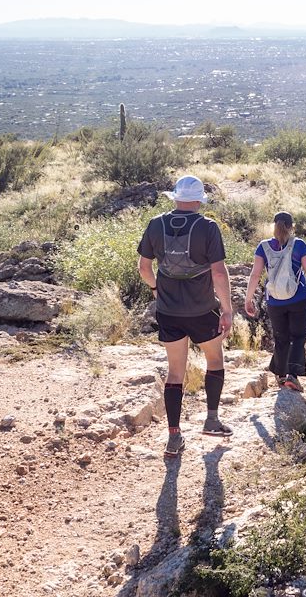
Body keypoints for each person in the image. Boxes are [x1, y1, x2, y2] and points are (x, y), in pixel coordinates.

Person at [137, 175, 234, 458]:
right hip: (203, 309)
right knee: (215, 359)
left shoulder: (156, 224)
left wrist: (156, 289)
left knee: (175, 372)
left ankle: (173, 437)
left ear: (176, 197)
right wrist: (227, 309)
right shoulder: (207, 227)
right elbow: (218, 272)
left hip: (169, 311)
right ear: (199, 200)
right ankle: (212, 420)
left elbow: (144, 268)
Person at [244, 211, 306, 392]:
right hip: (299, 299)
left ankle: (280, 376)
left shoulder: (263, 247)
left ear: (274, 226)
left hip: (274, 301)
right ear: (291, 226)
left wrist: (248, 299)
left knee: (281, 337)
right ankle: (292, 377)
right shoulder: (299, 245)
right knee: (298, 336)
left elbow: (255, 274)